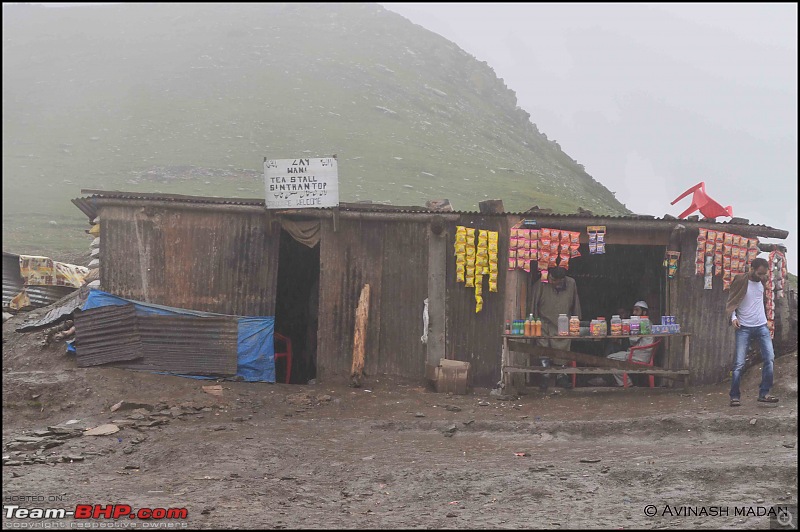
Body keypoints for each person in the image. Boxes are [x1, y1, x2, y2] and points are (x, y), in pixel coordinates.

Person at [726, 257, 778, 407]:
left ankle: (764, 393)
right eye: (760, 273)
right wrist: (733, 317)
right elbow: (732, 300)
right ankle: (734, 396)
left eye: (764, 274)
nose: (763, 277)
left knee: (770, 358)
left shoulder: (763, 281)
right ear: (751, 269)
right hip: (744, 328)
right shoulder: (741, 281)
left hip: (762, 326)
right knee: (739, 364)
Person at [529, 266, 581, 388]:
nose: (551, 281)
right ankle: (545, 376)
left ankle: (561, 376)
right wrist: (533, 321)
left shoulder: (571, 283)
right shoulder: (542, 282)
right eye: (550, 278)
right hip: (544, 323)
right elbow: (533, 303)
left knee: (562, 350)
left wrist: (576, 319)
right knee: (543, 348)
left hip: (563, 322)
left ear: (562, 279)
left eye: (554, 280)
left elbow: (575, 303)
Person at [605, 301, 655, 386]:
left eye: (637, 310)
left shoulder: (643, 323)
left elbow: (633, 340)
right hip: (643, 354)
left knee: (609, 359)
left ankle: (627, 383)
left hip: (639, 356)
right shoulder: (648, 322)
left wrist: (627, 330)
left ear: (644, 312)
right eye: (633, 310)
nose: (634, 313)